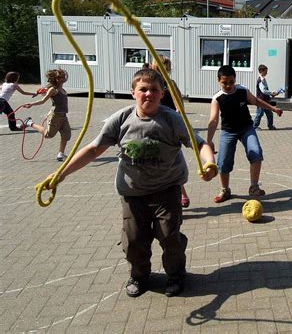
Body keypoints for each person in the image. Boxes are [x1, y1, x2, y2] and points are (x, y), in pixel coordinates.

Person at [46, 68, 216, 297]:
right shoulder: (122, 119)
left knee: (169, 237)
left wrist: (209, 164)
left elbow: (201, 145)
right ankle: (139, 275)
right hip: (133, 193)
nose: (148, 94)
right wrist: (61, 173)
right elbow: (93, 149)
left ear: (162, 93)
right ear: (132, 93)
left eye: (154, 89)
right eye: (143, 89)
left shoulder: (172, 119)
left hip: (167, 190)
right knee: (134, 240)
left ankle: (175, 275)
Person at [207, 65, 283, 203]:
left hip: (246, 128)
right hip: (228, 132)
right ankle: (225, 190)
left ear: (235, 79)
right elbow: (213, 120)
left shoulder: (242, 91)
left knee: (256, 152)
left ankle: (254, 187)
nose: (229, 85)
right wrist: (209, 140)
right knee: (223, 162)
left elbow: (257, 101)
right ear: (218, 81)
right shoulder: (217, 98)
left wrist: (273, 108)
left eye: (231, 82)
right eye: (225, 82)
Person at [151, 56, 192, 208]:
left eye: (166, 68)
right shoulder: (151, 84)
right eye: (161, 67)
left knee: (171, 163)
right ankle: (175, 196)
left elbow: (179, 105)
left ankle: (181, 194)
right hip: (153, 128)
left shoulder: (170, 84)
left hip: (168, 129)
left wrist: (178, 120)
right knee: (157, 165)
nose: (164, 71)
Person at [23, 69, 71, 161]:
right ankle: (30, 123)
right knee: (48, 135)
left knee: (66, 135)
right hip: (55, 115)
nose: (62, 79)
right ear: (56, 79)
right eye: (60, 77)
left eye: (63, 77)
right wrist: (31, 104)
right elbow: (43, 101)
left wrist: (44, 91)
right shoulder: (53, 89)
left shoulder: (62, 89)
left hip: (63, 116)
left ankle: (60, 154)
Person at [253, 64, 280, 130]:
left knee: (269, 113)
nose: (267, 73)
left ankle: (270, 125)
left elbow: (265, 90)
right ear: (261, 71)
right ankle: (254, 126)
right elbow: (264, 90)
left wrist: (271, 94)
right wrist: (271, 93)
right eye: (265, 71)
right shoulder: (260, 81)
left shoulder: (263, 79)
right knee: (259, 114)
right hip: (261, 100)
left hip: (265, 100)